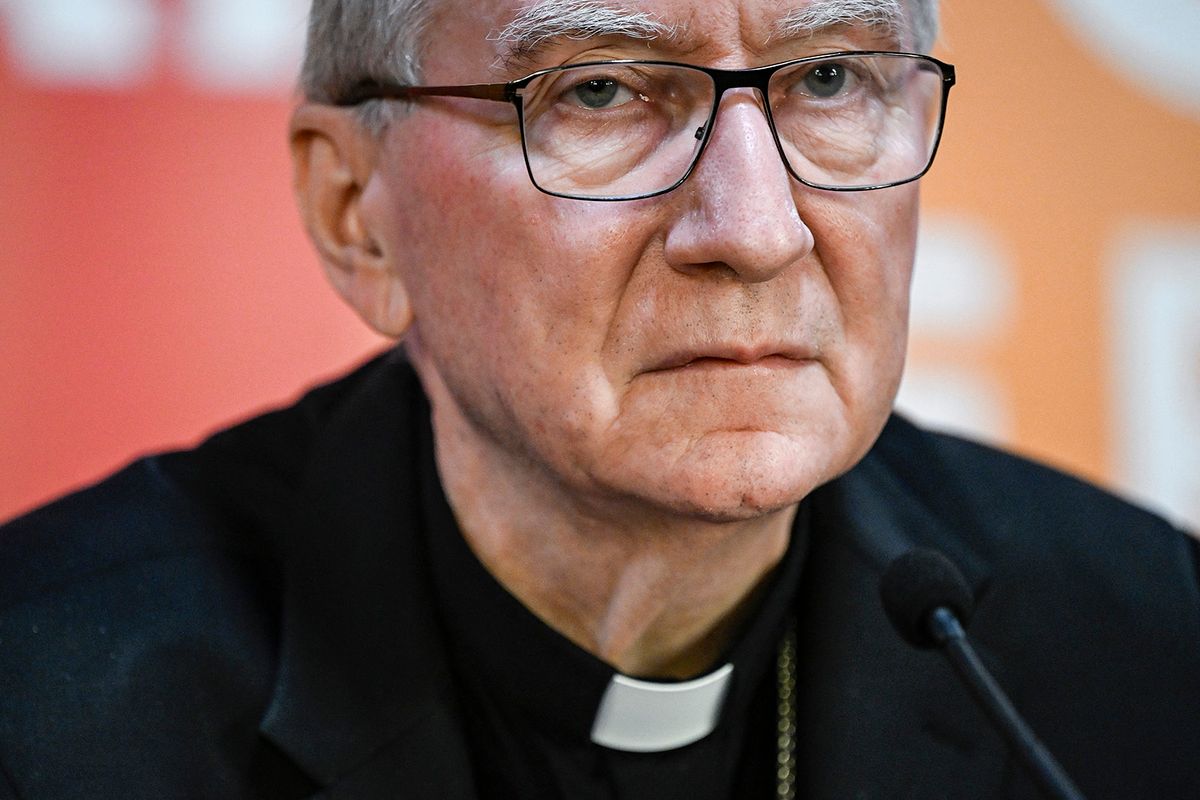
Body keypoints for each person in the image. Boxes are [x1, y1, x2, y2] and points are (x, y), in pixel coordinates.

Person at [1, 0, 1197, 797]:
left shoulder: (1144, 652)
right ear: (356, 214)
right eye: (601, 94)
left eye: (830, 77)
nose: (757, 228)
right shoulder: (50, 711)